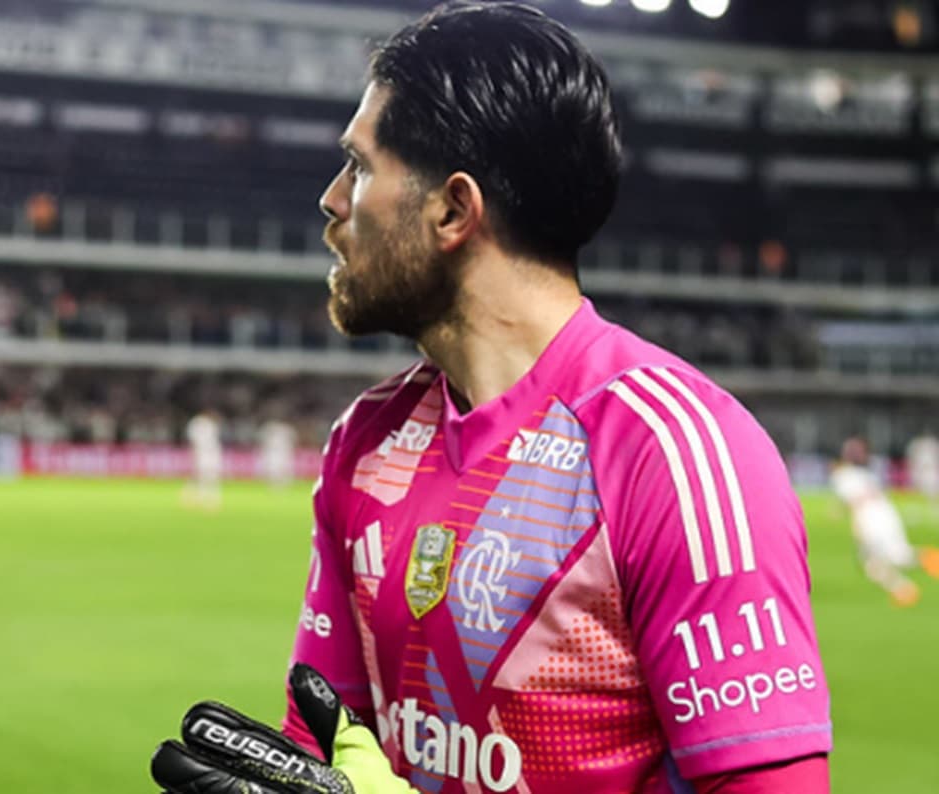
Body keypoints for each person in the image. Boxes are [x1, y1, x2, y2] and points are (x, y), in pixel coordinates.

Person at [152, 3, 831, 791]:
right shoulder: (365, 442)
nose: (332, 200)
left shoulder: (675, 453)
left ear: (452, 210)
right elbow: (326, 745)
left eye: (361, 167)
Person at [831, 435, 939, 607]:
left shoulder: (842, 476)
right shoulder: (865, 474)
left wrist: (858, 529)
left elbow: (855, 504)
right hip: (887, 514)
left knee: (878, 562)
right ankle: (904, 589)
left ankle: (905, 588)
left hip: (872, 520)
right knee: (892, 557)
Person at [183, 409, 223, 510]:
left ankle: (207, 497)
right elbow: (193, 439)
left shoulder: (211, 424)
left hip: (211, 452)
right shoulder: (197, 423)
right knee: (201, 475)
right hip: (202, 452)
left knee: (210, 475)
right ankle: (198, 496)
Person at [258, 415, 299, 490]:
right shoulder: (269, 428)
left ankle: (285, 484)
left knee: (284, 468)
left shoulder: (286, 428)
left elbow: (293, 440)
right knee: (272, 468)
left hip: (284, 451)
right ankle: (273, 485)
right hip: (272, 451)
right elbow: (263, 440)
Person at [906, 432, 939, 503]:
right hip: (922, 472)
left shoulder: (933, 446)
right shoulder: (916, 445)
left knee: (932, 489)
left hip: (929, 472)